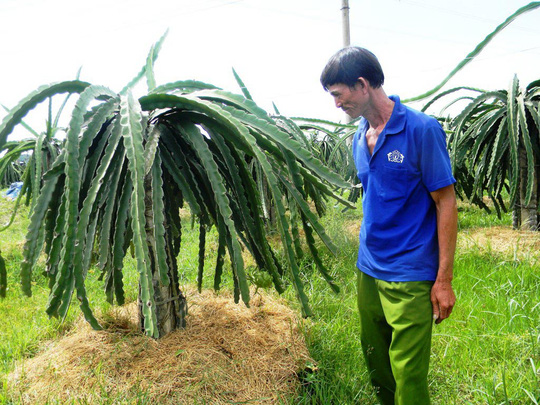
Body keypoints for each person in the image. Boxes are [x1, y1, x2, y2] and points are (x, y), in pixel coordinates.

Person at [320, 47, 458, 405]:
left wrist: (443, 280)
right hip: (369, 269)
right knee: (377, 365)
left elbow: (446, 202)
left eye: (338, 94)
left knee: (408, 375)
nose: (336, 104)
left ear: (363, 84)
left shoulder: (421, 130)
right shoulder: (358, 138)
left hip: (410, 273)